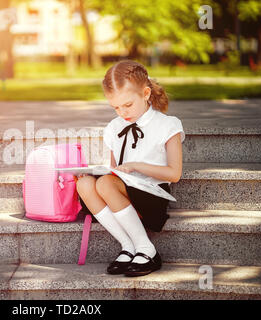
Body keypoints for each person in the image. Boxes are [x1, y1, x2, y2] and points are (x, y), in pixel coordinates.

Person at [75, 60, 185, 277]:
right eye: (115, 107)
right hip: (121, 196)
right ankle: (129, 246)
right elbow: (114, 171)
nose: (122, 113)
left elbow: (175, 173)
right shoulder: (114, 127)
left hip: (152, 195)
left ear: (145, 93)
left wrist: (136, 166)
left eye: (127, 105)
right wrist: (96, 172)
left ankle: (147, 249)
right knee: (86, 183)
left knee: (106, 183)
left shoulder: (167, 124)